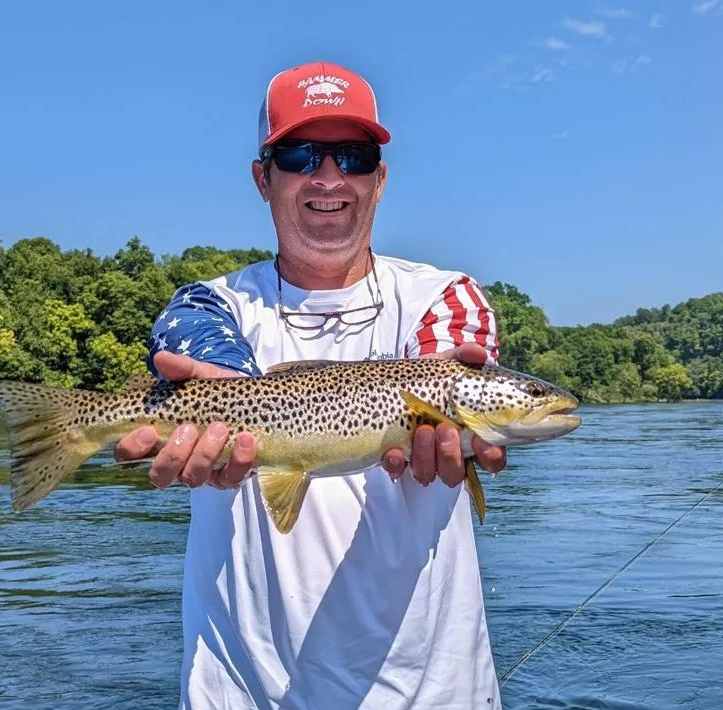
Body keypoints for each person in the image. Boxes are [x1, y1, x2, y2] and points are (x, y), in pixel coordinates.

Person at [116, 61, 507, 710]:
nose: (330, 177)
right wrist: (229, 403)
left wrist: (453, 422)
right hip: (237, 694)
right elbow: (201, 346)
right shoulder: (207, 305)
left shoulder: (445, 297)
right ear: (262, 178)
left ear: (380, 179)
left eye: (353, 156)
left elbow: (450, 364)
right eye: (301, 154)